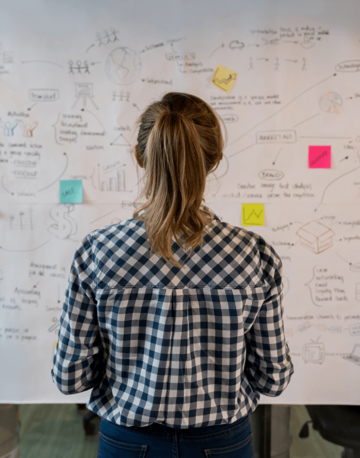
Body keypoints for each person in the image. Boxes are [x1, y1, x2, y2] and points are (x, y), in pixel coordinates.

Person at [51, 92, 294, 457]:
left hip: (127, 442)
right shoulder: (254, 254)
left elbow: (70, 377)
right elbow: (273, 379)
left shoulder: (97, 251)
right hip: (224, 443)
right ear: (213, 161)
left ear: (140, 157)